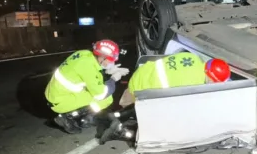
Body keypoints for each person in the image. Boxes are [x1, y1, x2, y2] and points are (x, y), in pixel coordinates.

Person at [98, 51, 231, 143]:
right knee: (161, 124)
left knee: (132, 108)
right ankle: (120, 130)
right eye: (214, 82)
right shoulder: (195, 83)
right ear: (211, 77)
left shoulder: (193, 58)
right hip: (142, 91)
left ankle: (113, 117)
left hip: (140, 75)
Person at [45, 40, 130, 134]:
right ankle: (71, 118)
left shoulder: (84, 54)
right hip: (60, 101)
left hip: (55, 93)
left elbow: (88, 74)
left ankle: (74, 115)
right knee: (106, 99)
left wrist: (106, 71)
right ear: (102, 58)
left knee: (97, 93)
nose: (112, 63)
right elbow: (101, 94)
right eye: (111, 60)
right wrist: (113, 78)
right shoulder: (89, 68)